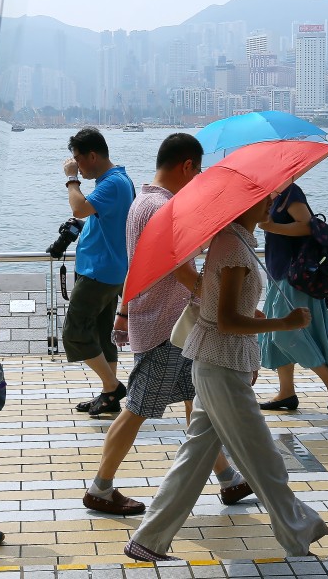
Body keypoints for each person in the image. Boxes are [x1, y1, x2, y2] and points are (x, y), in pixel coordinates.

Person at [125, 195, 328, 562]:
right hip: (220, 366)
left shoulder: (232, 242)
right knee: (264, 459)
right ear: (241, 206)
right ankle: (299, 538)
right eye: (262, 200)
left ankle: (148, 540)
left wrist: (257, 313)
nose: (270, 203)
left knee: (194, 458)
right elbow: (226, 322)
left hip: (216, 362)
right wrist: (283, 322)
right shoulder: (234, 249)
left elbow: (221, 304)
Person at [83, 133, 252, 516]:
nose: (199, 178)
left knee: (200, 401)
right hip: (166, 327)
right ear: (186, 166)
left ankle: (228, 479)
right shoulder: (164, 208)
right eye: (198, 170)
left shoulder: (143, 201)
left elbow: (146, 263)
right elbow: (179, 268)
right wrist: (209, 294)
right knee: (138, 407)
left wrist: (125, 313)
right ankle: (100, 487)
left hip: (161, 321)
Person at [61, 127, 135, 416]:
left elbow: (79, 208)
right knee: (103, 335)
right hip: (107, 268)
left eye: (78, 159)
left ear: (93, 155)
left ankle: (112, 385)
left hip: (99, 271)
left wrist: (71, 179)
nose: (76, 165)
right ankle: (108, 396)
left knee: (74, 332)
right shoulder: (114, 180)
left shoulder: (113, 183)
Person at [257, 183, 328, 412]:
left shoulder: (290, 192)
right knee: (274, 336)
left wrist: (270, 226)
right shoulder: (272, 194)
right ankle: (286, 392)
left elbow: (307, 226)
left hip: (293, 276)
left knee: (284, 333)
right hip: (276, 273)